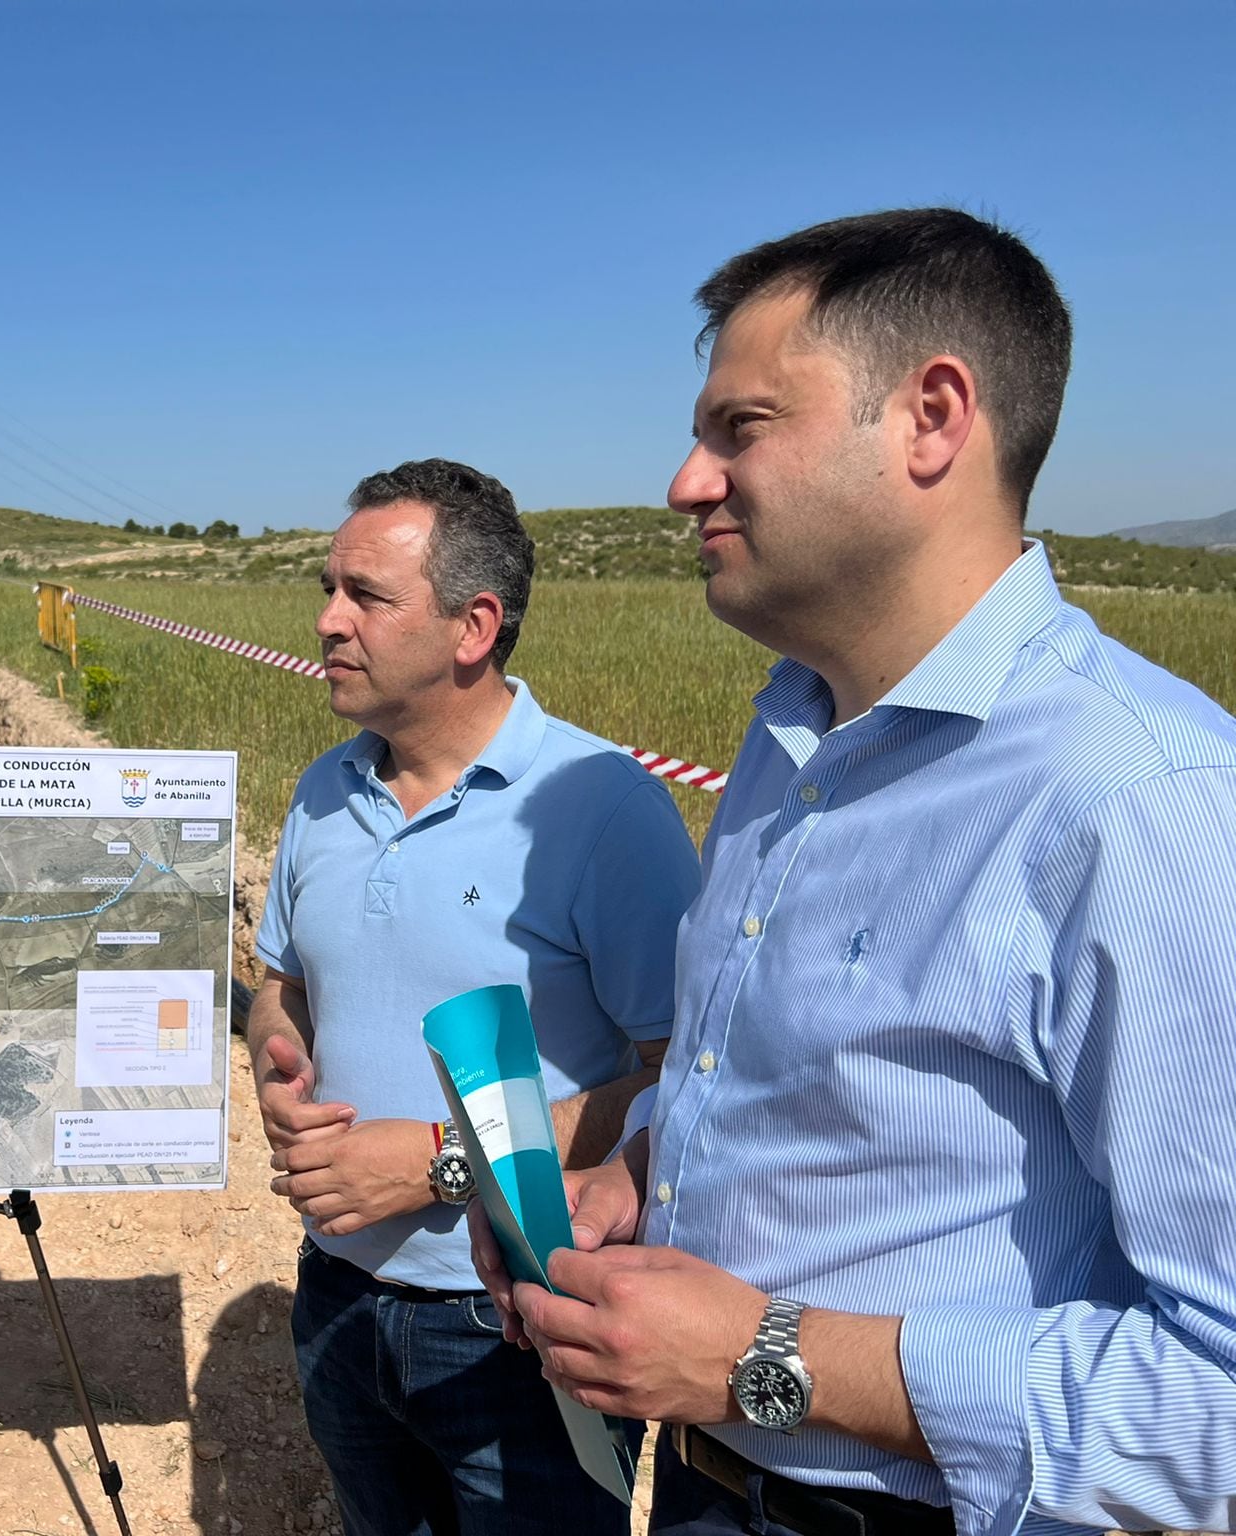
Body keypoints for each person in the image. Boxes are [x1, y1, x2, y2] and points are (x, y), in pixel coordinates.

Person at [474, 209, 1236, 1536]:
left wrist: (763, 1360)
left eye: (741, 427)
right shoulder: (788, 744)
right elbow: (799, 1096)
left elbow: (1217, 1408)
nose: (685, 481)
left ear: (932, 417)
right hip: (710, 1489)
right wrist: (637, 1181)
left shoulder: (1144, 804)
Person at [250, 458, 701, 1536]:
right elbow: (281, 988)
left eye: (364, 596)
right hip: (335, 1298)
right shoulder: (323, 793)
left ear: (472, 626)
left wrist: (438, 1162)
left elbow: (680, 1081)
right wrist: (277, 1055)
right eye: (328, 589)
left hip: (522, 1325)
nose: (326, 621)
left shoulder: (600, 813)